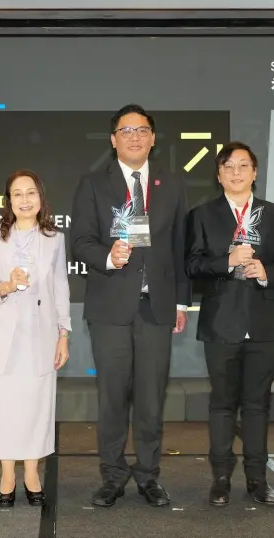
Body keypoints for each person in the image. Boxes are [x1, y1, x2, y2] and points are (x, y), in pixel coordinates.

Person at [70, 104, 191, 508]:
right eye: (126, 130)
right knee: (112, 397)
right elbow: (81, 241)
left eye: (142, 130)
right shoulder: (92, 183)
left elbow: (180, 247)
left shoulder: (171, 184)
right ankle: (113, 475)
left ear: (153, 138)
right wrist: (109, 256)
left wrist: (180, 303)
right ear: (113, 139)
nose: (134, 136)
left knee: (152, 398)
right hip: (109, 307)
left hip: (156, 307)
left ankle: (149, 476)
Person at [185, 142, 274, 507]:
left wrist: (267, 271)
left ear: (255, 172)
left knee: (257, 405)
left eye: (243, 166)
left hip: (263, 321)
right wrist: (226, 260)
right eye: (228, 167)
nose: (236, 172)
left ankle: (257, 478)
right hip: (221, 323)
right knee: (221, 404)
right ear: (218, 175)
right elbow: (193, 265)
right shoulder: (202, 215)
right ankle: (220, 477)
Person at [0, 170, 71, 508]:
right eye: (18, 194)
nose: (25, 199)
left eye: (31, 193)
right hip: (2, 335)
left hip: (40, 335)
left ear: (41, 198)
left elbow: (60, 286)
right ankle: (7, 475)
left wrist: (63, 333)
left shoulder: (54, 238)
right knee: (2, 409)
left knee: (36, 407)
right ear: (9, 200)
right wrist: (6, 285)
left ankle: (32, 473)